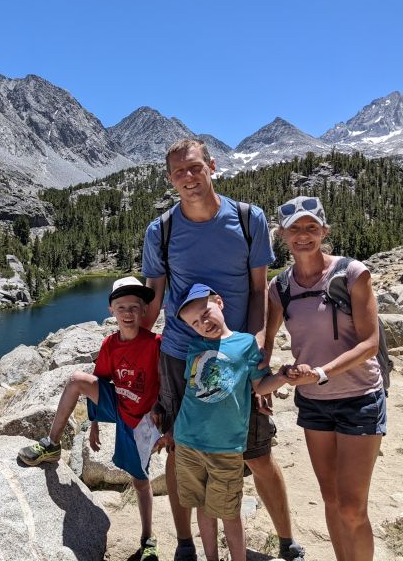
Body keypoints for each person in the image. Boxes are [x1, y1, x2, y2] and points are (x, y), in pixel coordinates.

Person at [141, 138, 304, 561]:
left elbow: (257, 291)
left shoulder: (249, 219)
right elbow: (154, 300)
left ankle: (286, 542)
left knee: (255, 450)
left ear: (212, 166)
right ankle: (184, 544)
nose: (189, 178)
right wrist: (134, 356)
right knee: (181, 447)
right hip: (180, 355)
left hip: (236, 354)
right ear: (170, 179)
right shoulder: (162, 230)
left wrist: (256, 349)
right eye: (179, 172)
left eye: (195, 168)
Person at [264, 196, 386, 561]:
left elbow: (370, 343)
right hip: (315, 404)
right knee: (331, 499)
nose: (303, 236)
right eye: (295, 229)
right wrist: (263, 380)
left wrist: (320, 373)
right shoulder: (280, 287)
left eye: (311, 228)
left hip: (359, 396)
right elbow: (266, 338)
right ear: (282, 235)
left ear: (324, 231)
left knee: (352, 507)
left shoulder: (351, 273)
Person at [18, 276, 163, 561]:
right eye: (121, 306)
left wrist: (163, 420)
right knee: (76, 380)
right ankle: (51, 443)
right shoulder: (110, 344)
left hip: (140, 420)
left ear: (145, 310)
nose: (128, 313)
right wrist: (93, 423)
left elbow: (168, 383)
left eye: (134, 306)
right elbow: (101, 380)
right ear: (111, 311)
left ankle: (148, 538)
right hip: (118, 404)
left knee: (140, 480)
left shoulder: (155, 344)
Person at [175, 283, 290, 561]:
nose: (202, 324)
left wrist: (284, 377)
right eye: (194, 322)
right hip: (188, 441)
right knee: (202, 505)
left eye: (205, 313)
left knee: (229, 512)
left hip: (226, 446)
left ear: (219, 302)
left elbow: (259, 385)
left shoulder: (245, 343)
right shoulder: (194, 346)